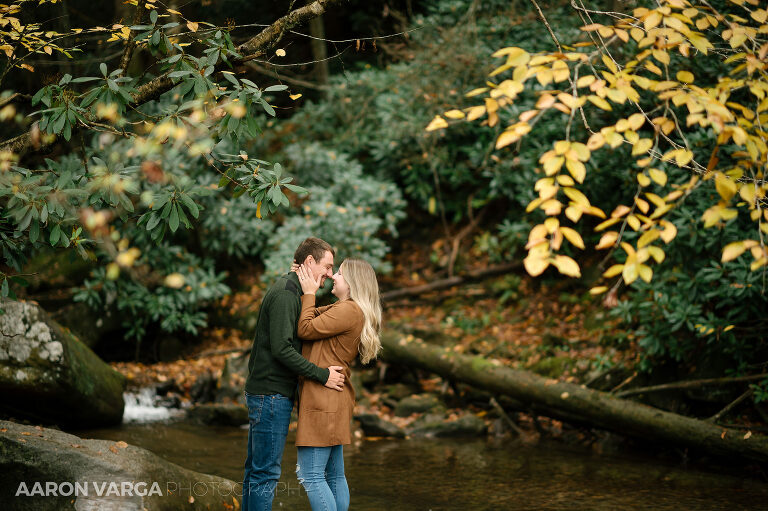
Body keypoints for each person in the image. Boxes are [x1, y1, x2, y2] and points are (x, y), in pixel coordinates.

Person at [242, 237, 347, 511]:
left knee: (256, 471)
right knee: (265, 474)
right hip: (271, 395)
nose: (328, 274)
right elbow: (281, 349)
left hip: (267, 394)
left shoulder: (293, 291)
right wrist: (322, 375)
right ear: (309, 262)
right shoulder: (286, 294)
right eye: (327, 266)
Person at [293, 258, 382, 511]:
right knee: (333, 476)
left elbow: (305, 328)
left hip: (324, 398)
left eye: (340, 274)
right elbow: (310, 314)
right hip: (333, 398)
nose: (334, 277)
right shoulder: (346, 309)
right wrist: (305, 287)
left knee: (310, 475)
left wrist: (310, 293)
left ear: (353, 283)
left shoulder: (348, 310)